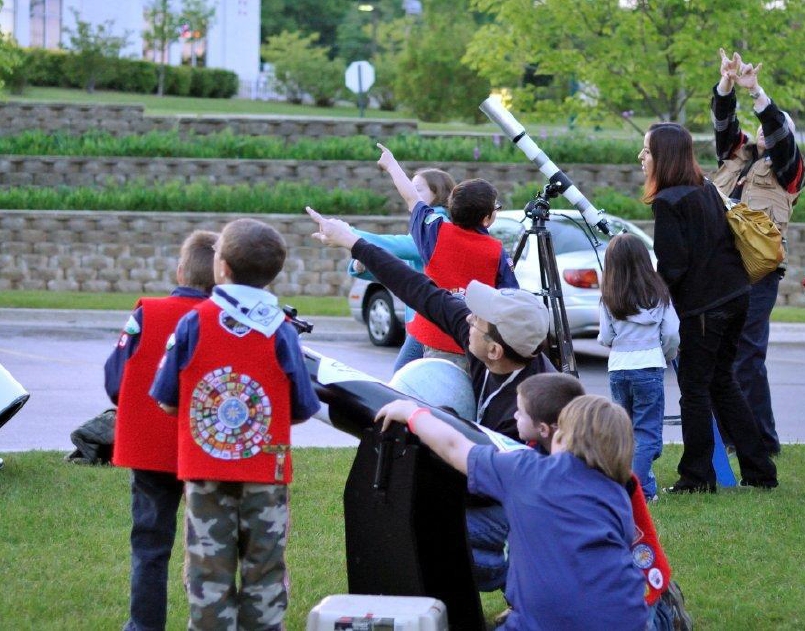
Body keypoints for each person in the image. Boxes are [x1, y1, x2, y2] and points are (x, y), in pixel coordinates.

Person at [306, 205, 553, 592]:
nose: (468, 319)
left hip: (527, 508)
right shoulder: (489, 346)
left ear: (495, 350)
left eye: (478, 320)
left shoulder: (533, 409)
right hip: (495, 482)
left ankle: (517, 580)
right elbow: (418, 290)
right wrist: (352, 241)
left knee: (431, 519)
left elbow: (498, 484)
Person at [150, 218, 320, 630]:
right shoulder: (282, 330)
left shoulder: (191, 323)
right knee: (265, 570)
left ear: (220, 267)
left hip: (205, 472)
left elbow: (166, 398)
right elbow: (302, 405)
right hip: (266, 472)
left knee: (209, 571)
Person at [375, 393, 649, 630]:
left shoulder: (525, 470)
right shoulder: (617, 495)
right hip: (626, 617)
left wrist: (412, 412)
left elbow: (454, 446)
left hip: (545, 622)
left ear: (563, 436)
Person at [640, 122, 777, 493]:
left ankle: (697, 476)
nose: (642, 158)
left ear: (664, 156)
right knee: (724, 383)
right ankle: (760, 470)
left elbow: (673, 267)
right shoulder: (705, 189)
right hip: (736, 297)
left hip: (705, 308)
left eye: (648, 151)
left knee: (695, 391)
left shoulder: (669, 202)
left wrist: (648, 293)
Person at [104, 228, 217, 631]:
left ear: (179, 269)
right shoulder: (223, 319)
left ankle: (143, 626)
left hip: (151, 447)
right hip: (209, 450)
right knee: (211, 547)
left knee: (150, 544)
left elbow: (116, 381)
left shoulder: (145, 313)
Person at [514, 373, 689, 631]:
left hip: (630, 587)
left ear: (546, 428)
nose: (514, 416)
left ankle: (667, 612)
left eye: (520, 412)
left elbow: (640, 544)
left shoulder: (615, 482)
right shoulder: (534, 455)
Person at [711, 49, 804, 456]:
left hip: (759, 274)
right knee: (718, 356)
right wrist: (728, 84)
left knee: (747, 358)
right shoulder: (737, 156)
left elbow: (780, 132)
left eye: (775, 127)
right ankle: (730, 441)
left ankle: (763, 444)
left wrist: (758, 92)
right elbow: (723, 124)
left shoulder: (790, 170)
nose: (766, 132)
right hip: (722, 270)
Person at [376, 143, 519, 370]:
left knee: (400, 381)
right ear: (486, 219)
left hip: (425, 331)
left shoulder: (435, 231)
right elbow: (509, 298)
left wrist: (392, 165)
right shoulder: (496, 251)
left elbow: (412, 199)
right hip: (464, 341)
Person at [347, 167, 456, 372]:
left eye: (417, 190)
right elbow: (399, 272)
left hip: (430, 326)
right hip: (420, 325)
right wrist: (362, 265)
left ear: (438, 193)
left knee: (401, 381)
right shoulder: (426, 223)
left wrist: (351, 236)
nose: (409, 194)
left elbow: (400, 245)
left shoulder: (439, 224)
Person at [598, 233, 680, 502]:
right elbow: (671, 333)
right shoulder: (659, 295)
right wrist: (664, 354)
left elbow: (605, 337)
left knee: (626, 430)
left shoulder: (609, 297)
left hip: (619, 367)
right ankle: (635, 491)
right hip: (649, 366)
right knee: (647, 432)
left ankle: (637, 486)